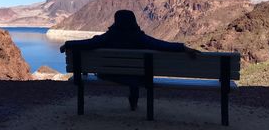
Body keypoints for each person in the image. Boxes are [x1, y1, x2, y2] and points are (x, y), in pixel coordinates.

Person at [60, 9, 199, 110]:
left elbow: (90, 44)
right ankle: (134, 101)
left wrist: (68, 44)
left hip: (110, 74)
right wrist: (183, 48)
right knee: (136, 75)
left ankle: (131, 82)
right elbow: (161, 45)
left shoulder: (109, 36)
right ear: (134, 20)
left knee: (119, 74)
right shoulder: (139, 37)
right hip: (136, 74)